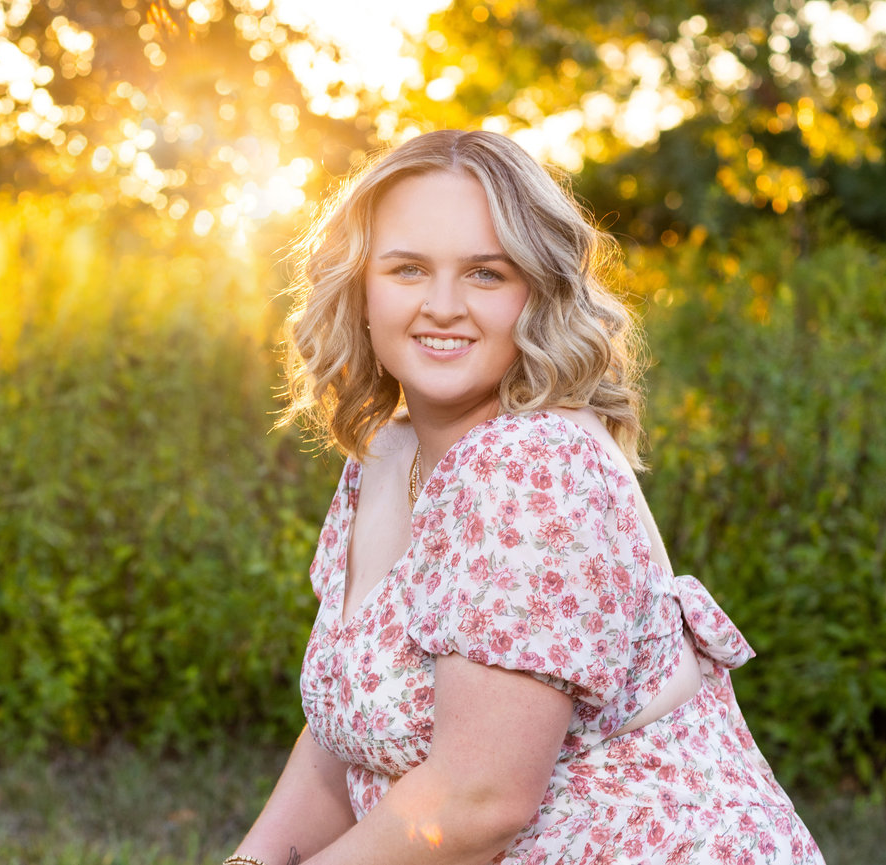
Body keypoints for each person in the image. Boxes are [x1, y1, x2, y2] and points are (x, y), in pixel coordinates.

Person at [223, 130, 824, 865]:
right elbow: (337, 733)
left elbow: (477, 805)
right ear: (360, 286)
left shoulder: (533, 466)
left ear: (536, 291)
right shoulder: (387, 452)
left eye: (485, 273)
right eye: (407, 268)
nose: (442, 306)